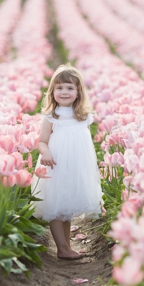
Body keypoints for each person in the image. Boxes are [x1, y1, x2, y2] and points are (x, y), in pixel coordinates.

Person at [33, 65, 102, 259]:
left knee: (67, 206)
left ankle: (67, 246)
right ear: (52, 91)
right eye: (60, 87)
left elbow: (84, 145)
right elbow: (41, 142)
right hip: (55, 164)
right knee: (56, 205)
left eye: (70, 88)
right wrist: (45, 153)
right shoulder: (51, 116)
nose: (64, 92)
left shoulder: (84, 117)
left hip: (75, 167)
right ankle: (62, 248)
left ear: (79, 92)